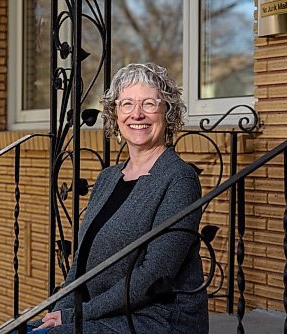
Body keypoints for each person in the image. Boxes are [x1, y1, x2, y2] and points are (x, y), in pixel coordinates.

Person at [34, 63, 208, 333]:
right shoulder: (108, 178)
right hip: (103, 311)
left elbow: (154, 277)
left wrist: (78, 315)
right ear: (115, 114)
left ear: (168, 112)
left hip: (157, 318)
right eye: (127, 104)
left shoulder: (179, 179)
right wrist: (63, 308)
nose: (137, 114)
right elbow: (81, 260)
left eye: (149, 103)